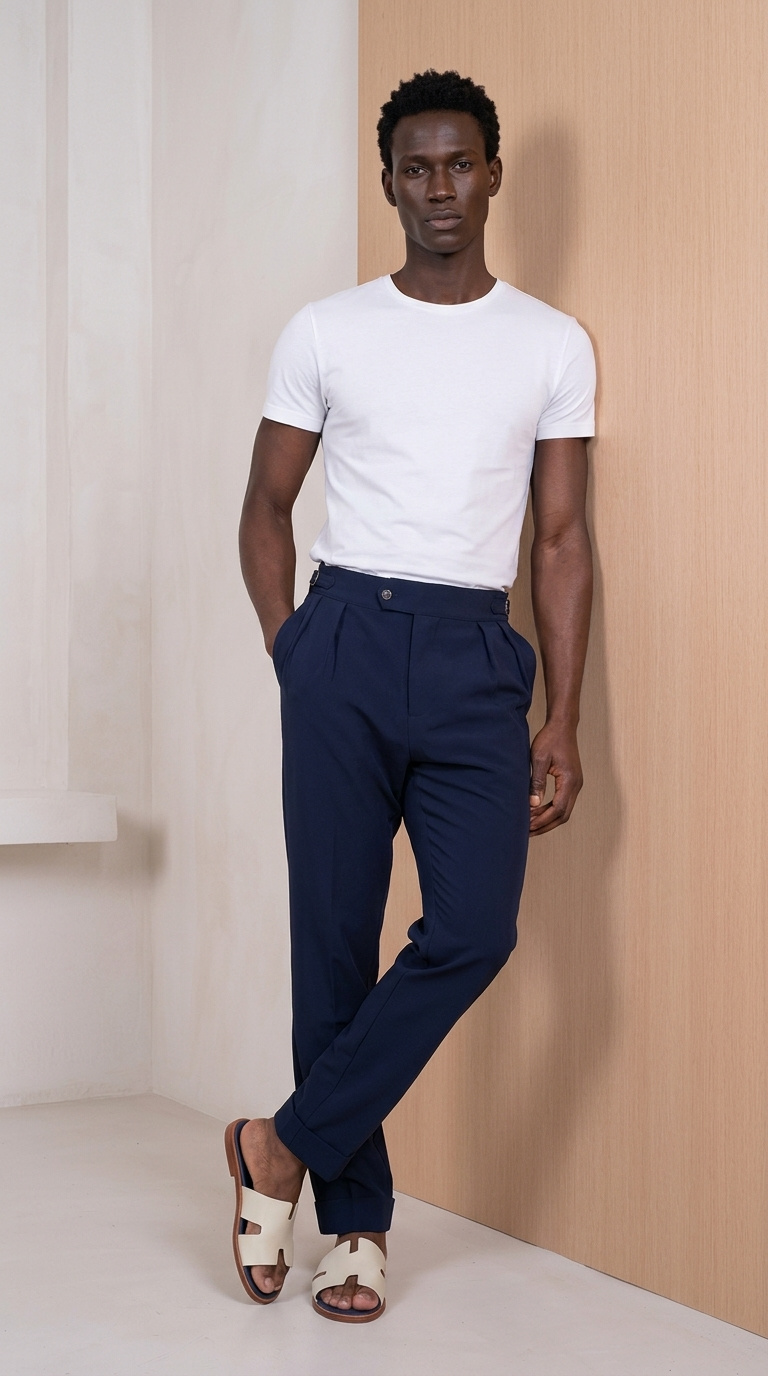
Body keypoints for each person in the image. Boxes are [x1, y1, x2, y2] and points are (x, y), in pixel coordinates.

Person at [230, 68, 595, 1324]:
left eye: (460, 164)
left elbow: (561, 541)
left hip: (474, 658)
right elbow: (265, 507)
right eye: (416, 168)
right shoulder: (327, 331)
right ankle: (358, 1227)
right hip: (343, 637)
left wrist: (562, 714)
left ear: (494, 175)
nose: (440, 187)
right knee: (332, 942)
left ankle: (279, 1143)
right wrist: (292, 649)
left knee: (475, 927)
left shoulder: (552, 342)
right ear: (389, 182)